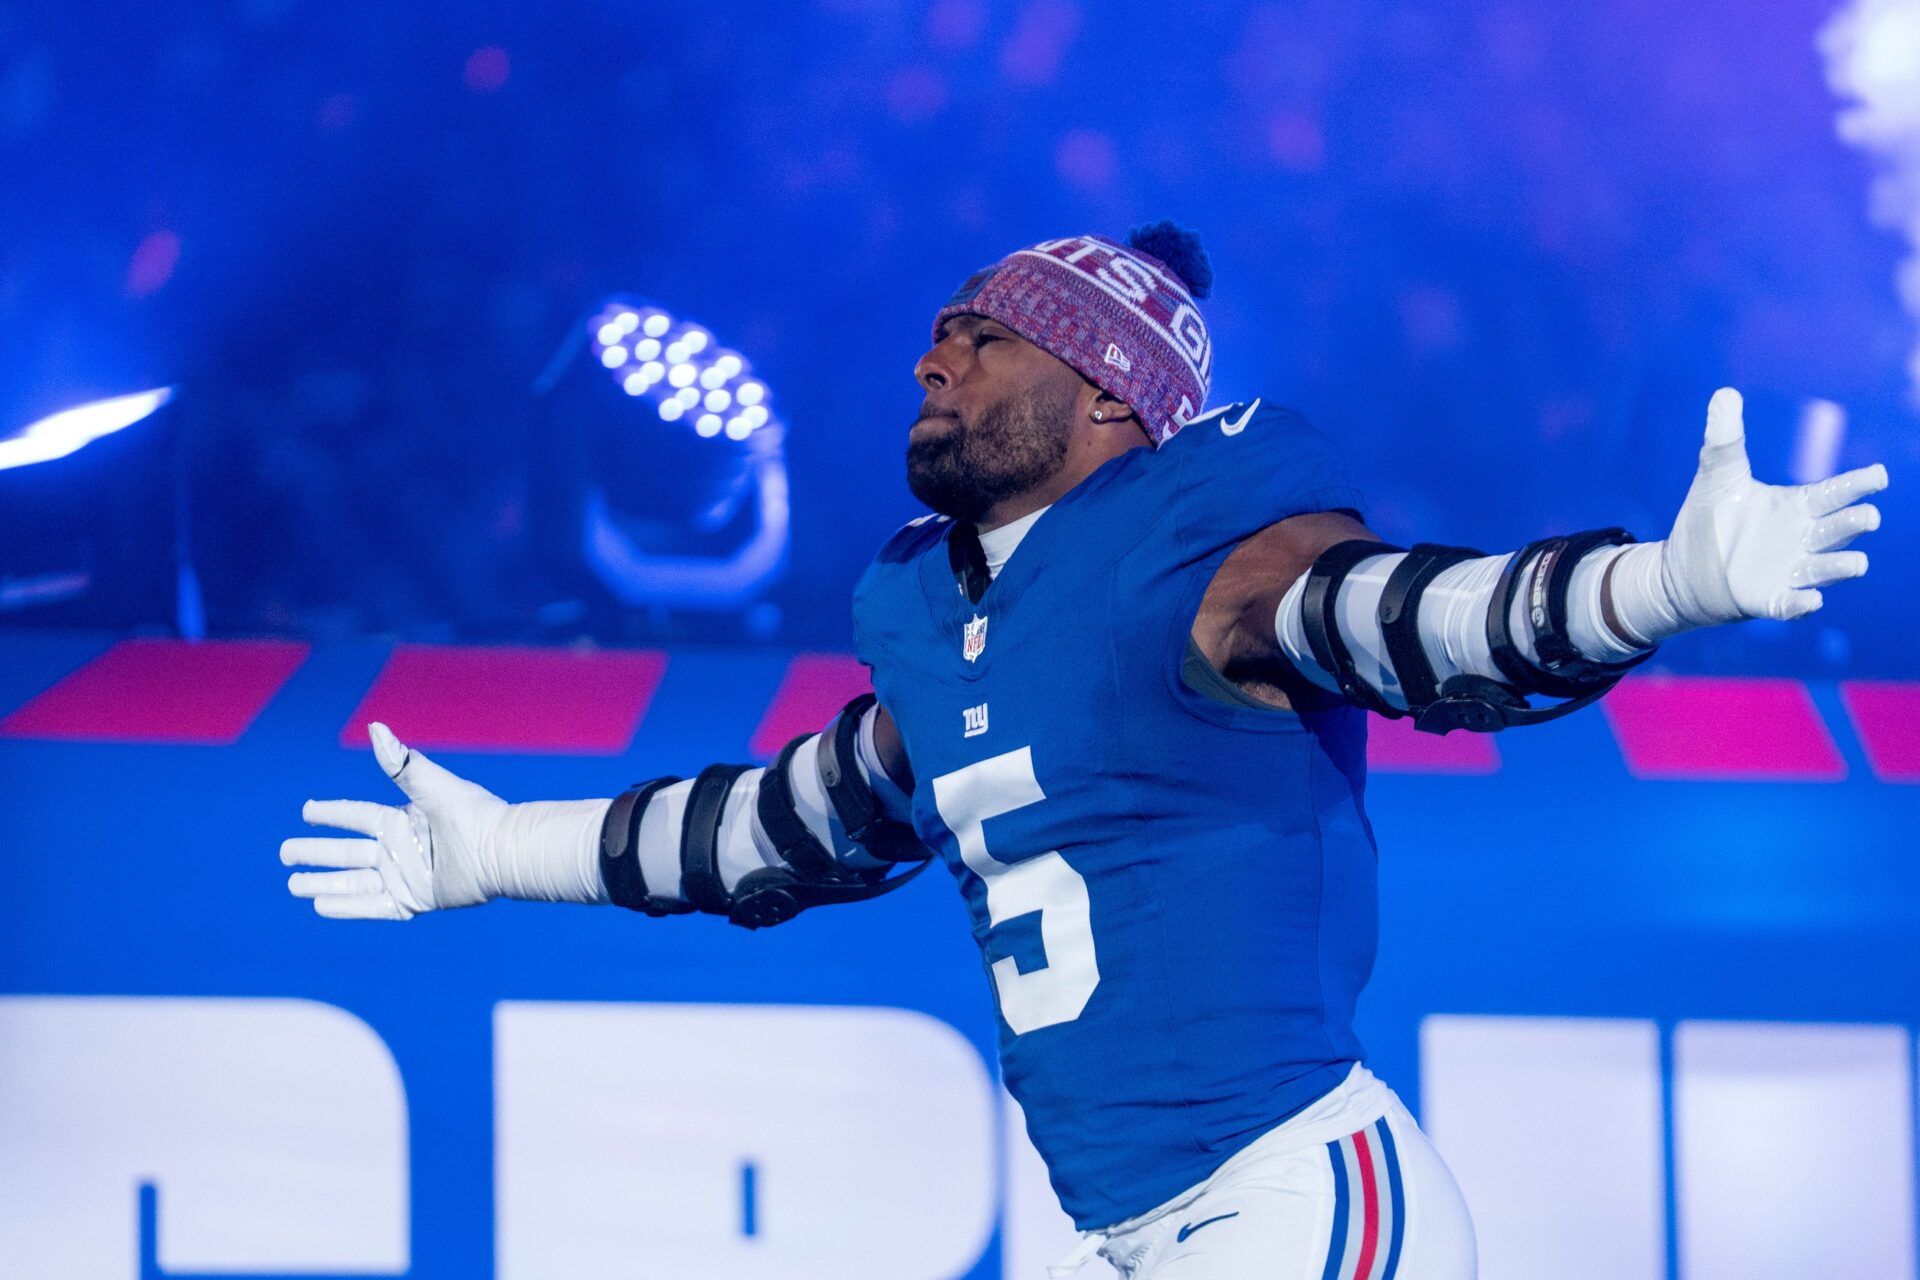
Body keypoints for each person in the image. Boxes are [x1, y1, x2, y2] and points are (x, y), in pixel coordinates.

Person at [281, 222, 1888, 1278]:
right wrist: (504, 851)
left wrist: (1654, 588)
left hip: (1293, 1193)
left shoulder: (1206, 554)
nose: (935, 360)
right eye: (939, 333)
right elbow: (782, 826)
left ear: (1111, 395)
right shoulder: (953, 616)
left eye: (985, 338)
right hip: (1129, 1232)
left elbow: (1408, 621)